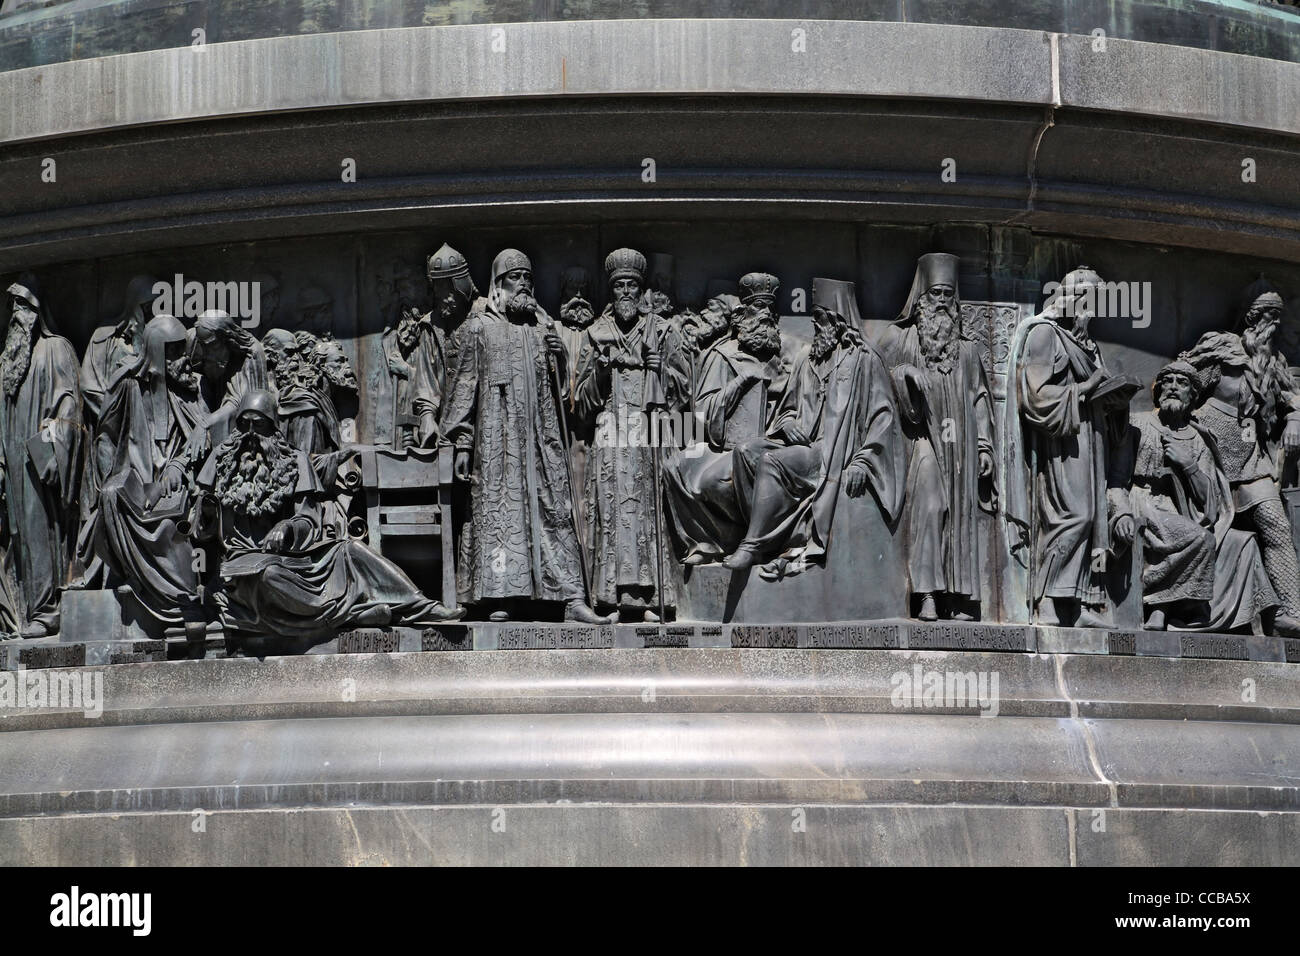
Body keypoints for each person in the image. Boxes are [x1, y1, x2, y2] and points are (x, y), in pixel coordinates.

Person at [194, 390, 462, 649]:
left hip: (294, 558)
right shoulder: (222, 461)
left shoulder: (294, 460)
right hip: (243, 568)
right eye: (244, 424)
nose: (251, 434)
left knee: (349, 550)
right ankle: (350, 613)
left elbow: (308, 519)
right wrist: (205, 515)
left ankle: (422, 606)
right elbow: (198, 529)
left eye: (259, 424)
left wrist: (288, 526)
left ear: (273, 427)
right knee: (268, 576)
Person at [439, 249, 611, 623]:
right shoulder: (478, 329)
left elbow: (564, 394)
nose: (524, 286)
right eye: (516, 279)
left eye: (528, 279)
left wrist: (559, 358)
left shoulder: (541, 331)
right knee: (501, 514)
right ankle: (500, 595)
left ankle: (571, 598)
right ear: (498, 285)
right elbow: (464, 386)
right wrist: (462, 442)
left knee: (555, 510)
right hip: (497, 443)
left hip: (542, 442)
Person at [1110, 361, 1290, 633]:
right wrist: (1121, 512)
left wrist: (1188, 465)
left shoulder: (1198, 439)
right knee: (1199, 538)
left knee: (1243, 542)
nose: (1172, 387)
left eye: (1181, 383)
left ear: (1193, 396)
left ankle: (1266, 618)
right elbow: (1117, 479)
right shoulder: (1138, 424)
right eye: (1167, 382)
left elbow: (1210, 502)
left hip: (1186, 513)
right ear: (1158, 391)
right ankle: (1162, 607)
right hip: (1144, 503)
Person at [571, 248, 689, 620]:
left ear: (642, 291)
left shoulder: (663, 331)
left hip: (648, 433)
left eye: (631, 286)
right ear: (612, 291)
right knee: (612, 512)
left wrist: (662, 372)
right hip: (609, 436)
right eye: (619, 285)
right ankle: (611, 596)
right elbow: (581, 400)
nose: (625, 292)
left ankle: (649, 597)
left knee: (645, 511)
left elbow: (686, 391)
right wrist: (603, 374)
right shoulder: (597, 335)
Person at [880, 253, 997, 621]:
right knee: (931, 501)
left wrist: (983, 446)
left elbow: (980, 399)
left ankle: (960, 598)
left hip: (959, 445)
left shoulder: (967, 351)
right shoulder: (900, 341)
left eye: (948, 294)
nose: (943, 301)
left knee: (960, 514)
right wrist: (902, 376)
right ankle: (926, 594)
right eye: (935, 294)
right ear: (921, 300)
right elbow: (875, 386)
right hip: (918, 443)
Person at [0, 277, 84, 637]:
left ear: (38, 312)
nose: (18, 316)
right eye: (13, 307)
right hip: (10, 459)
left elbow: (70, 404)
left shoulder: (57, 349)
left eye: (25, 307)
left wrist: (55, 447)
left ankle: (46, 610)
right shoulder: (6, 363)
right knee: (17, 534)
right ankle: (20, 608)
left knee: (38, 530)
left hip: (40, 457)